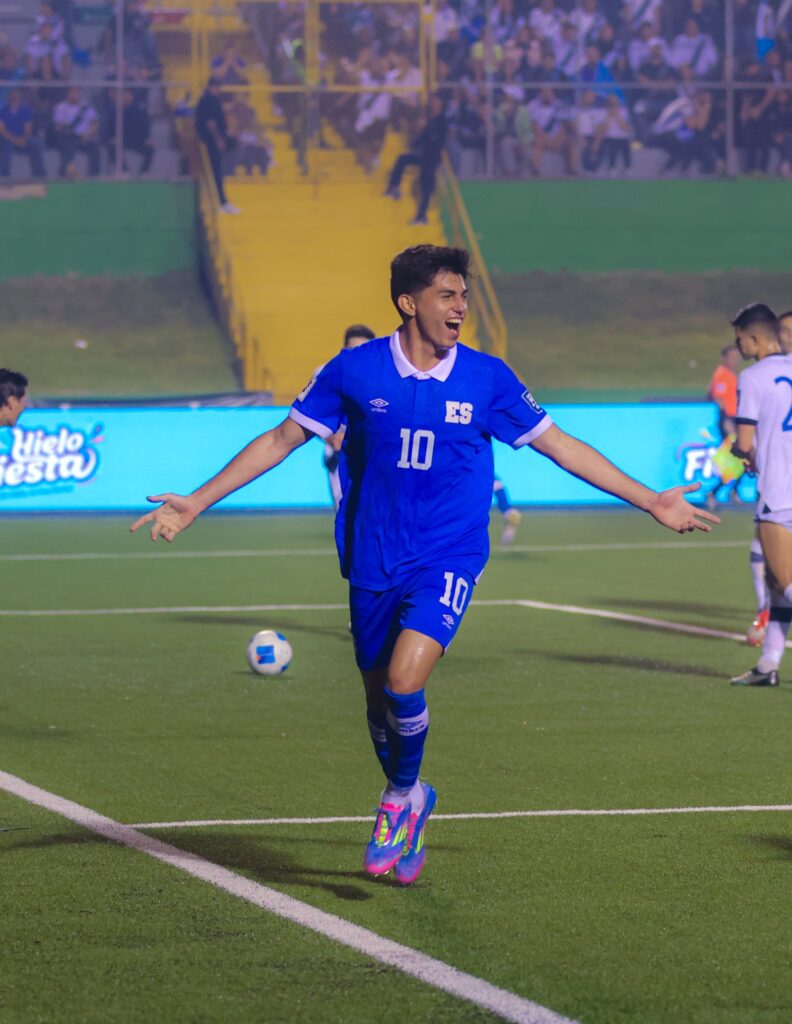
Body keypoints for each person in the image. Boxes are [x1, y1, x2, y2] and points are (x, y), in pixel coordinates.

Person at [130, 244, 718, 885]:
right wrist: (197, 501)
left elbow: (561, 447)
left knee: (405, 680)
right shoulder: (353, 371)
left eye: (464, 295)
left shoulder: (488, 378)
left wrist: (649, 499)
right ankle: (414, 794)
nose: (461, 307)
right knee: (378, 703)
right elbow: (280, 439)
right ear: (409, 303)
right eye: (447, 295)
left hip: (449, 553)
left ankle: (396, 800)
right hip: (372, 554)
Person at [729, 304, 792, 686]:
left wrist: (743, 454)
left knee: (784, 580)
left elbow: (744, 442)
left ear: (754, 338)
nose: (739, 347)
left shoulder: (752, 377)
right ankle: (768, 665)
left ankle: (768, 665)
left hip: (780, 492)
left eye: (740, 340)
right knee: (774, 581)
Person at [323, 324, 376, 509]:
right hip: (340, 454)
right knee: (344, 508)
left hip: (373, 454)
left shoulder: (384, 379)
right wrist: (331, 437)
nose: (359, 355)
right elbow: (313, 416)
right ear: (344, 350)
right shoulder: (328, 375)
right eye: (354, 349)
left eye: (364, 349)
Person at [384, 94, 447, 226]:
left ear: (441, 103)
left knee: (425, 187)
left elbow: (435, 139)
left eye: (436, 101)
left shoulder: (441, 121)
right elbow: (423, 137)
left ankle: (421, 216)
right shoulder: (431, 119)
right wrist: (414, 146)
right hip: (424, 155)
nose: (433, 103)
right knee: (402, 159)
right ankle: (394, 187)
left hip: (431, 158)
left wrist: (424, 135)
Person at [195, 77, 239, 214]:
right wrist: (218, 139)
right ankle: (221, 202)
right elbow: (211, 123)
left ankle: (220, 201)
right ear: (211, 86)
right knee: (215, 172)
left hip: (211, 140)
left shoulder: (210, 100)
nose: (219, 89)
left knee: (216, 172)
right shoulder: (209, 100)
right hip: (210, 142)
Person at [0, 89, 45, 179]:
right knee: (5, 146)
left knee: (35, 144)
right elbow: (2, 130)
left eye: (16, 98)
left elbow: (28, 129)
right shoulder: (2, 111)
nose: (14, 101)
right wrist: (14, 140)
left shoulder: (26, 111)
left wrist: (23, 139)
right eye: (12, 99)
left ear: (20, 99)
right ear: (8, 99)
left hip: (23, 138)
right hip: (8, 138)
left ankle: (39, 174)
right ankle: (4, 176)